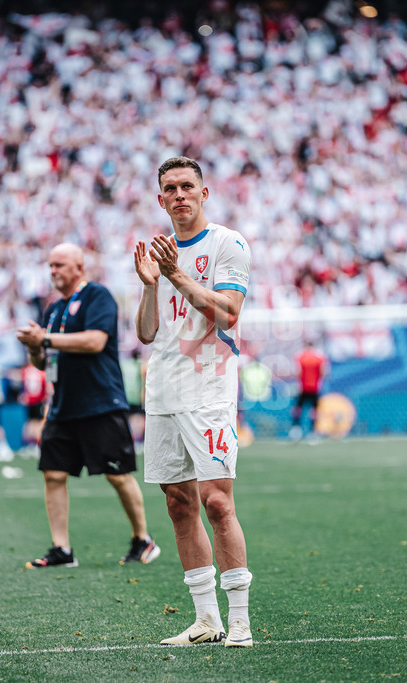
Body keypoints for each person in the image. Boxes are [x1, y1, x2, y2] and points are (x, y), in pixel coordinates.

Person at [133, 156, 254, 648]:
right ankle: (206, 619)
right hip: (162, 386)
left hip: (208, 387)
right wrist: (149, 286)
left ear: (205, 194)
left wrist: (176, 275)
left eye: (187, 186)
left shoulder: (228, 243)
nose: (179, 194)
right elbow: (145, 333)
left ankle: (241, 621)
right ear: (161, 200)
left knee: (217, 502)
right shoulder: (160, 254)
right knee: (177, 502)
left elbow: (227, 313)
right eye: (170, 189)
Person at [16, 243, 160, 570]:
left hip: (100, 402)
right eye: (50, 265)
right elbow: (42, 362)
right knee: (53, 474)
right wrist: (33, 348)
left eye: (60, 265)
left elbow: (95, 341)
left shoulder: (98, 296)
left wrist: (45, 340)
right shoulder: (53, 309)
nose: (53, 271)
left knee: (117, 474)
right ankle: (61, 549)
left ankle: (143, 538)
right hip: (63, 404)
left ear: (79, 267)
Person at [289, 340, 328, 442]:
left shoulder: (300, 356)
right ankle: (313, 432)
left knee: (298, 409)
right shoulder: (320, 357)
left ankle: (296, 430)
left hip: (302, 387)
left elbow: (297, 372)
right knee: (314, 411)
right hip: (315, 387)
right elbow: (324, 372)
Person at [18, 361, 46, 458]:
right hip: (37, 400)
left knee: (30, 422)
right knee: (36, 423)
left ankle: (29, 444)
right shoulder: (40, 372)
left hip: (30, 400)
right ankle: (35, 445)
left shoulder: (26, 370)